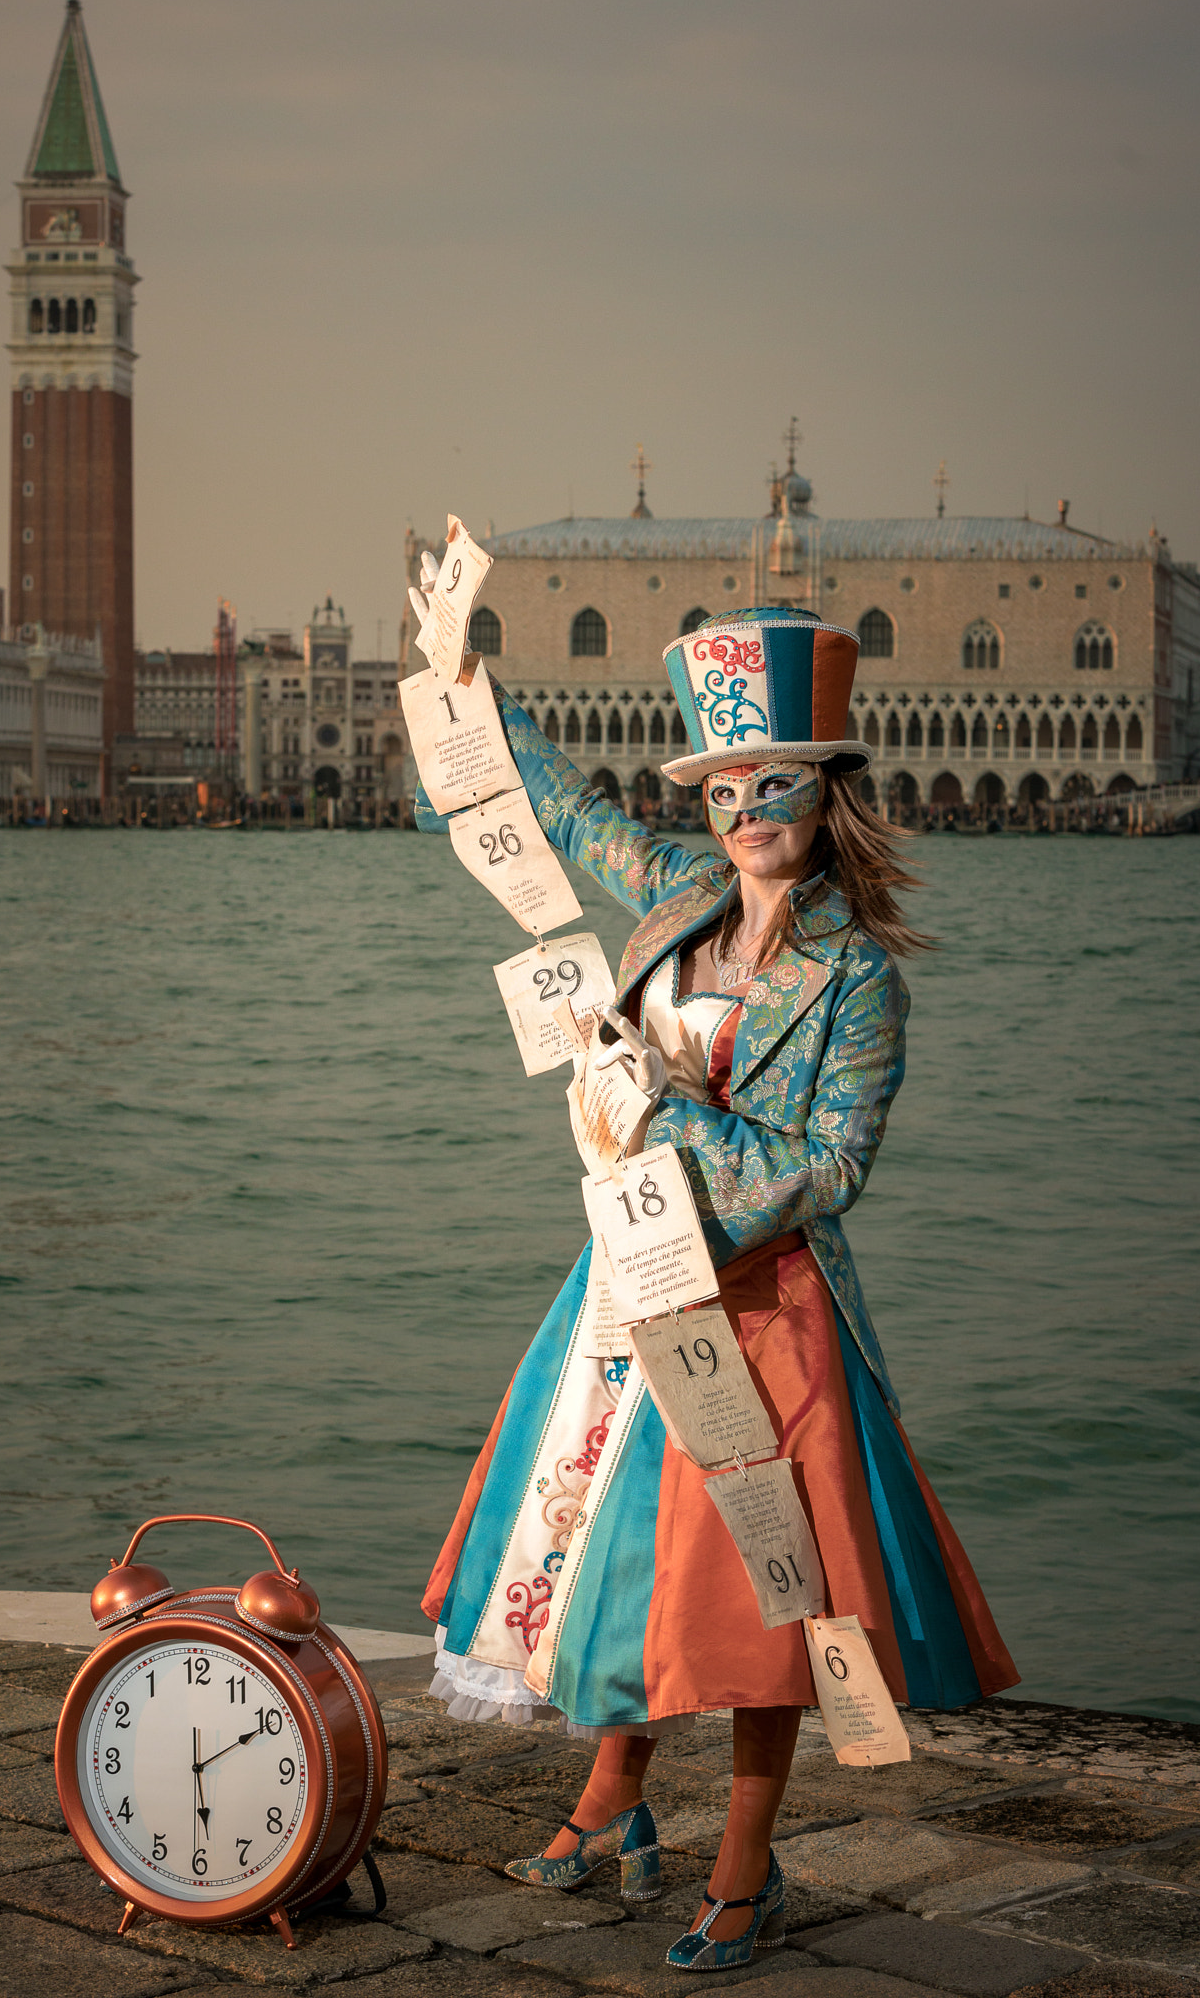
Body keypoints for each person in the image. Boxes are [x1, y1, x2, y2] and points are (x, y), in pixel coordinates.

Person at [412, 590, 1018, 1972]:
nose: (748, 809)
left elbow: (832, 1166)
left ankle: (745, 1872)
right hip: (631, 1286)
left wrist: (662, 1106)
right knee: (619, 1559)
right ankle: (612, 1801)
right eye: (727, 787)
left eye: (776, 786)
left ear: (825, 800)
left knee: (760, 1595)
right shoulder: (676, 902)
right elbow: (560, 814)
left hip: (770, 1308)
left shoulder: (855, 976)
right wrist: (465, 689)